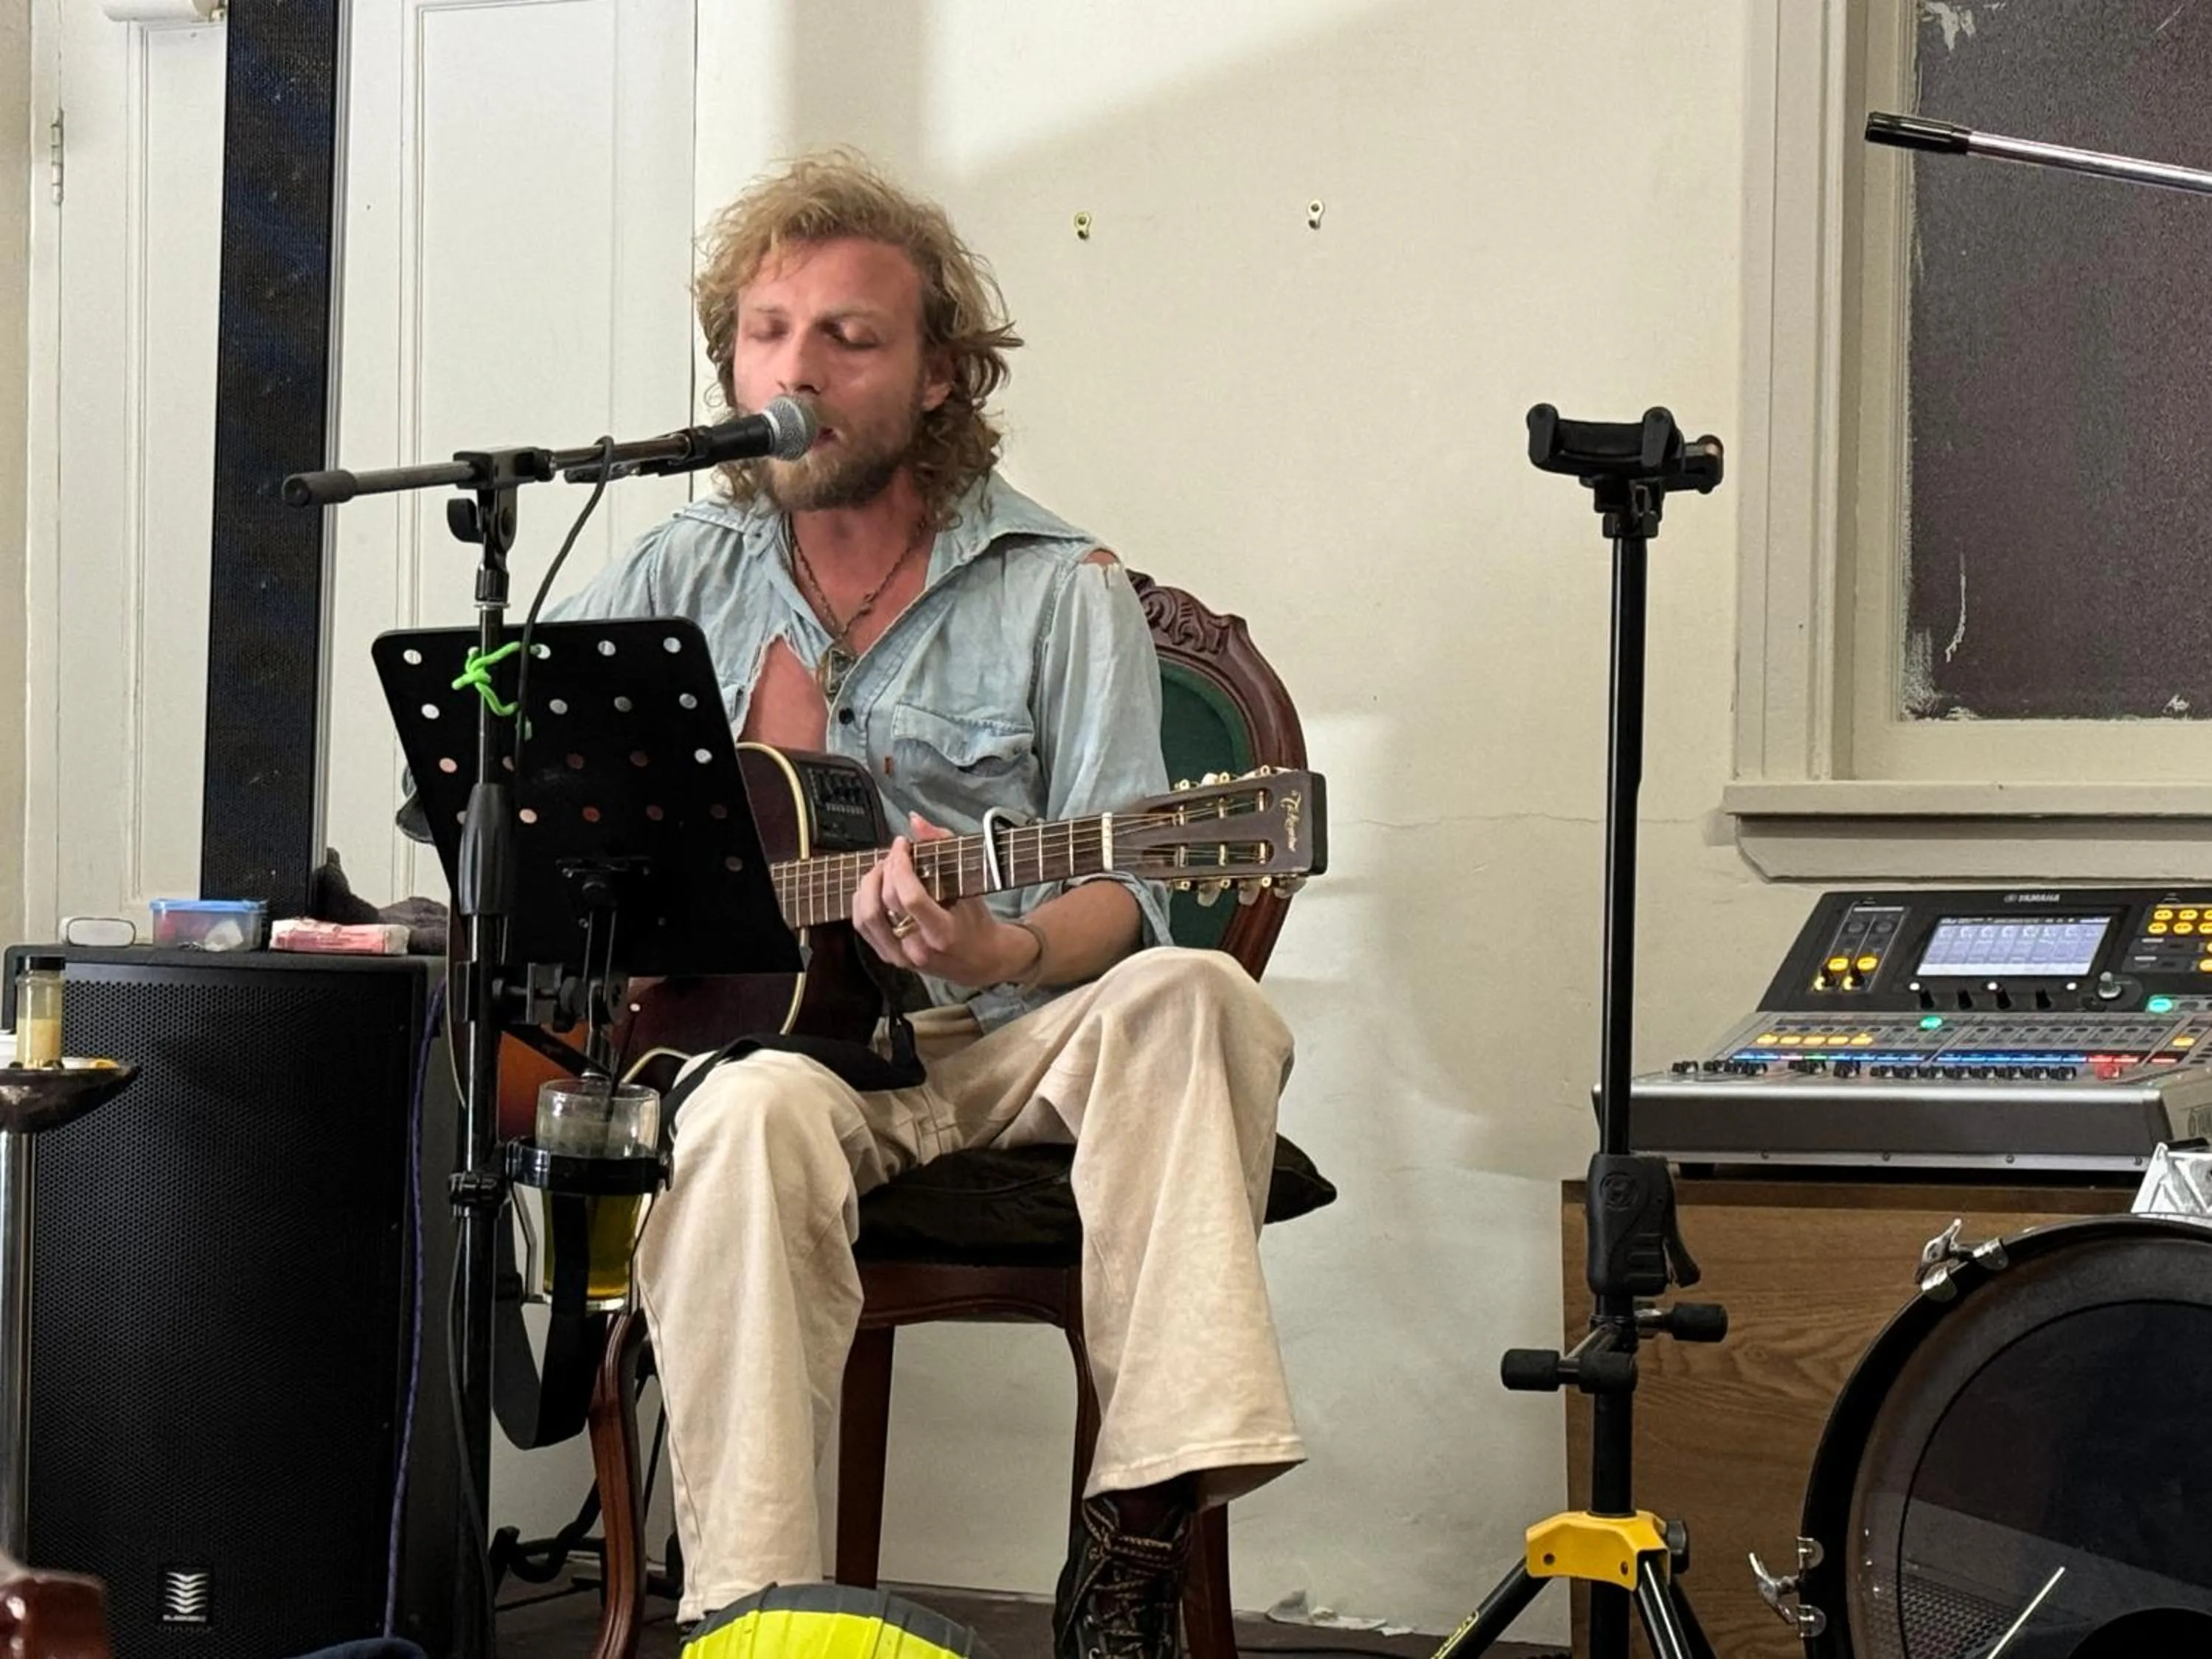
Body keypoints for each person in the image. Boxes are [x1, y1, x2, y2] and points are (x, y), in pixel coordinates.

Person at [549, 150, 1302, 1658]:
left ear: (943, 374)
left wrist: (1001, 941)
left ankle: (1138, 1537)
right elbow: (544, 818)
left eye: (850, 335)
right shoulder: (671, 571)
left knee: (1197, 994)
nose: (799, 368)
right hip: (774, 1061)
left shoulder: (1054, 583)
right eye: (768, 332)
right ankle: (755, 1622)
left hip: (995, 1046)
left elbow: (1126, 896)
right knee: (747, 1114)